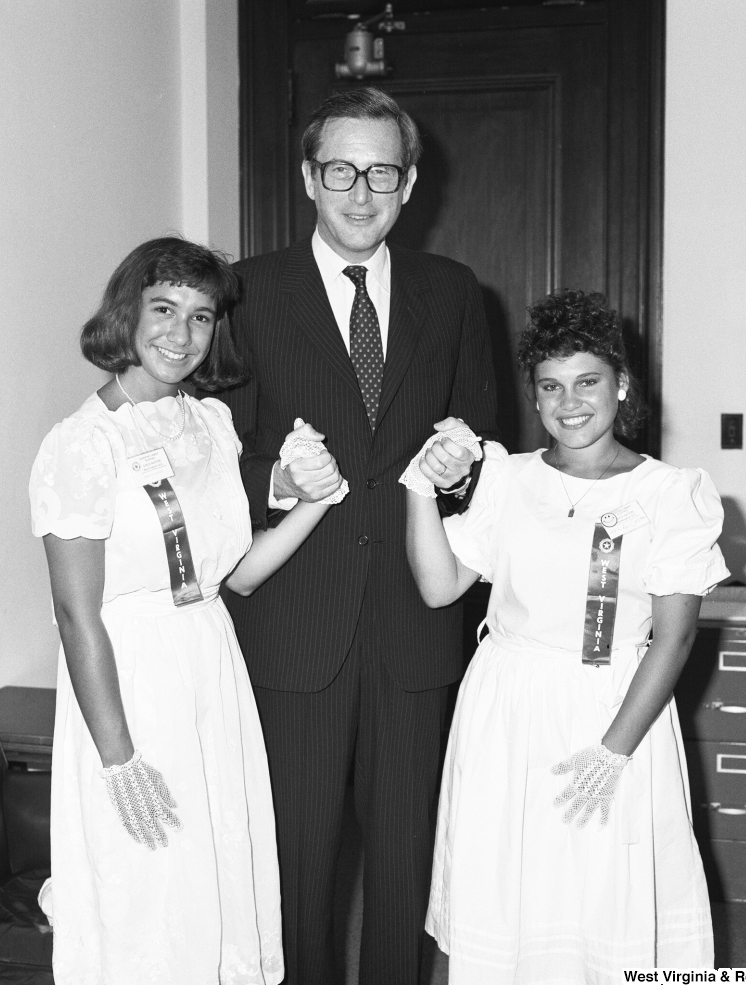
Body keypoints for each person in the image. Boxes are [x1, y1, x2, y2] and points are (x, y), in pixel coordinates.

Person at [220, 88, 497, 985]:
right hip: (295, 628)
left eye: (382, 170)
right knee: (296, 865)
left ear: (410, 183)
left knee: (405, 864)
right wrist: (275, 478)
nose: (360, 190)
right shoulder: (246, 293)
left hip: (415, 629)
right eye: (340, 169)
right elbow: (207, 456)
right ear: (309, 177)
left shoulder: (453, 292)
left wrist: (463, 471)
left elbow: (485, 443)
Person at [29, 237, 344, 984]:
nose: (181, 333)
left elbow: (236, 575)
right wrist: (118, 758)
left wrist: (316, 503)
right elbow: (77, 617)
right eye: (163, 309)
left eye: (201, 316)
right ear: (126, 314)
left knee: (219, 870)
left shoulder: (210, 424)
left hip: (209, 661)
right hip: (127, 679)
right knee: (146, 887)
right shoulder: (80, 445)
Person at [404, 289, 729, 984]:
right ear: (535, 394)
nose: (569, 402)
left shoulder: (671, 493)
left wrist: (613, 752)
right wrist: (419, 484)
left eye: (588, 382)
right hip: (508, 707)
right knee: (512, 891)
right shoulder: (508, 477)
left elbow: (672, 640)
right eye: (550, 387)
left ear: (622, 385)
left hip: (615, 708)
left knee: (602, 892)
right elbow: (438, 585)